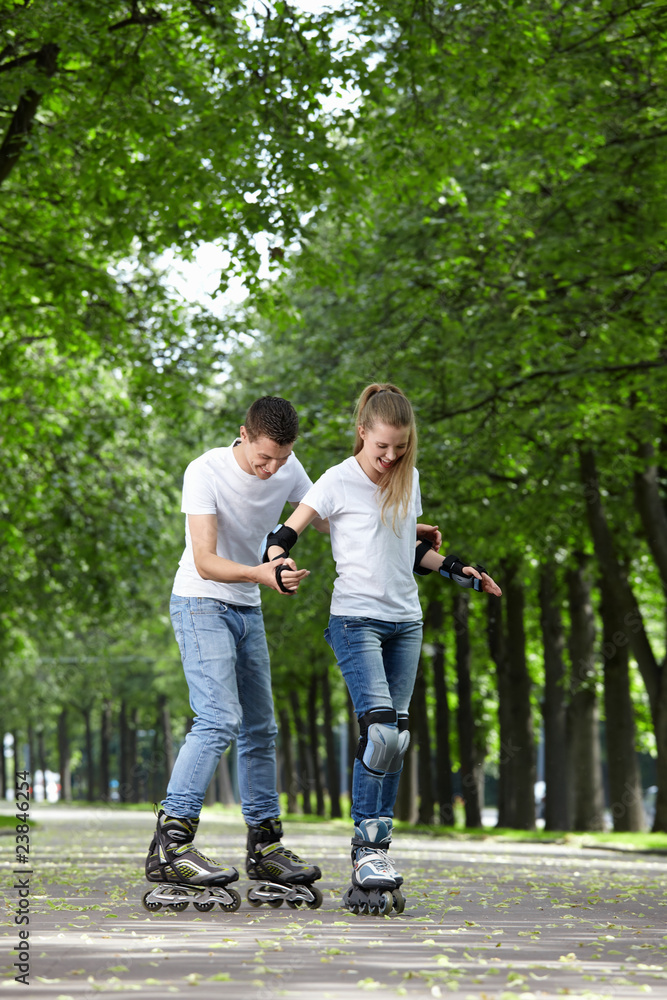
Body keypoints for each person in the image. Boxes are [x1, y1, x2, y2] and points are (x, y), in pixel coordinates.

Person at [263, 383, 501, 915]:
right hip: (355, 620)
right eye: (381, 448)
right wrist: (277, 565)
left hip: (406, 622)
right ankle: (367, 849)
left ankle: (377, 849)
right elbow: (283, 535)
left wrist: (461, 569)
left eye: (400, 448)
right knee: (380, 733)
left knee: (398, 739)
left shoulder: (408, 479)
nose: (390, 458)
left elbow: (408, 552)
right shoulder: (335, 482)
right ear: (363, 433)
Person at [143, 396, 328, 913]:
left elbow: (328, 517)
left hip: (248, 608)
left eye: (282, 460)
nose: (272, 470)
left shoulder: (289, 467)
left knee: (261, 729)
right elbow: (203, 561)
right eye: (264, 458)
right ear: (243, 435)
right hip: (201, 603)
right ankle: (171, 844)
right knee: (219, 718)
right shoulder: (203, 470)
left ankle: (265, 845)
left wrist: (403, 532)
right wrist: (262, 573)